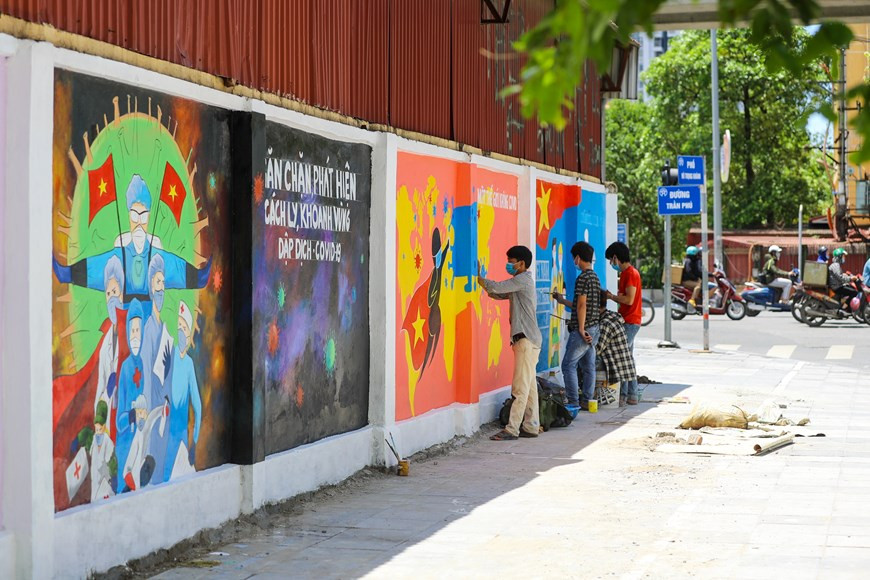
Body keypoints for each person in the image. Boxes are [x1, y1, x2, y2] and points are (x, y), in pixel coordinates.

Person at [478, 246, 543, 441]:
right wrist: (485, 285)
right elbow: (498, 294)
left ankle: (512, 429)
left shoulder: (521, 280)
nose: (509, 264)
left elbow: (497, 287)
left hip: (526, 340)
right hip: (529, 340)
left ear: (521, 263)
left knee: (520, 388)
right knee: (529, 387)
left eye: (511, 261)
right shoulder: (520, 283)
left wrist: (479, 279)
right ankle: (531, 426)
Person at [553, 241, 600, 412]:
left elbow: (581, 305)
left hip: (584, 329)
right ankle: (587, 400)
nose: (574, 261)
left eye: (574, 258)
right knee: (588, 366)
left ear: (578, 258)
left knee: (568, 365)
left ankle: (573, 402)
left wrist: (580, 329)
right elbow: (582, 304)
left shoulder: (582, 278)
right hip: (594, 328)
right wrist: (562, 300)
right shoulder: (594, 277)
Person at [164, 300, 203, 481]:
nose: (181, 330)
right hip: (164, 431)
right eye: (178, 325)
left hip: (180, 434)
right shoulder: (167, 358)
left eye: (184, 327)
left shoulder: (188, 364)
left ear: (188, 335)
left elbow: (197, 405)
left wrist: (194, 441)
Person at [604, 242, 641, 405]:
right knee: (627, 358)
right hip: (627, 319)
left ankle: (630, 394)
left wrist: (611, 297)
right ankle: (626, 395)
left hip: (630, 320)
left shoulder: (630, 274)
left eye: (611, 260)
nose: (611, 264)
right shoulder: (626, 274)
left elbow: (629, 299)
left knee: (623, 358)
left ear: (615, 258)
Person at [116, 298, 145, 492]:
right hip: (125, 448)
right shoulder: (126, 368)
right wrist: (134, 415)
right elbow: (120, 422)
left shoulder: (141, 363)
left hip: (139, 449)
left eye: (138, 330)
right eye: (132, 331)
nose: (135, 335)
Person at [594, 294, 637, 405]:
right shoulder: (612, 316)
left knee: (586, 360)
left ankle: (588, 397)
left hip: (615, 366)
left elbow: (598, 349)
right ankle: (625, 396)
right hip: (624, 366)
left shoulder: (605, 324)